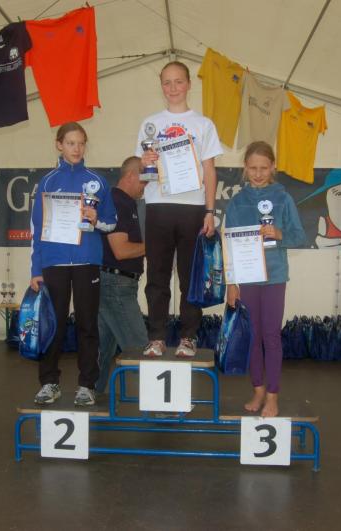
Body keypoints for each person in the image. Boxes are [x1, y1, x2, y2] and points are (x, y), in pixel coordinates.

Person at [135, 61, 223, 358]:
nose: (173, 88)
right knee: (157, 276)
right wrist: (145, 162)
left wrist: (209, 211)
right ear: (161, 86)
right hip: (158, 206)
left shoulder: (203, 124)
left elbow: (209, 171)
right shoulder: (150, 124)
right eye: (167, 82)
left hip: (193, 208)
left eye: (178, 81)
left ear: (189, 84)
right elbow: (143, 173)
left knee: (190, 278)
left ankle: (188, 337)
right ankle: (156, 337)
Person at [29, 122, 117, 406]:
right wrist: (36, 270)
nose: (76, 149)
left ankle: (87, 385)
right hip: (53, 263)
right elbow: (36, 230)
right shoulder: (47, 182)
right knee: (51, 324)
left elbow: (111, 223)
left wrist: (96, 220)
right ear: (59, 145)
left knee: (87, 324)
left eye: (80, 143)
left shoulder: (98, 181)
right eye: (70, 143)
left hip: (86, 261)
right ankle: (49, 383)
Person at [224, 142, 306, 417]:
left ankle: (272, 396)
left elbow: (299, 236)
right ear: (244, 168)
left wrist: (279, 234)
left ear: (273, 167)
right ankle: (258, 390)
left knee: (271, 336)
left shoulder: (284, 199)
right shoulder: (236, 202)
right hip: (247, 279)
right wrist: (231, 284)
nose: (258, 174)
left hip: (274, 277)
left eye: (263, 168)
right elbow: (229, 246)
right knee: (253, 337)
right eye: (253, 168)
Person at [95, 156, 149, 394]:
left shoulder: (125, 203)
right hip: (116, 285)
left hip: (112, 283)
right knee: (140, 348)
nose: (145, 187)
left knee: (102, 350)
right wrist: (155, 246)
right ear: (131, 175)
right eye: (144, 181)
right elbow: (121, 250)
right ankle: (161, 404)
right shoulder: (119, 202)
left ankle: (90, 392)